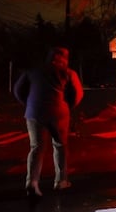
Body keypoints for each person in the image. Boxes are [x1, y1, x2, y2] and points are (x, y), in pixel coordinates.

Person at [13, 46, 84, 197]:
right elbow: (78, 94)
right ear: (64, 59)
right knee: (60, 146)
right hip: (59, 113)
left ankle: (32, 182)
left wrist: (30, 104)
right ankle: (61, 181)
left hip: (34, 113)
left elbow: (18, 90)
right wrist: (68, 106)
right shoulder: (68, 73)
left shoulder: (33, 71)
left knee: (36, 147)